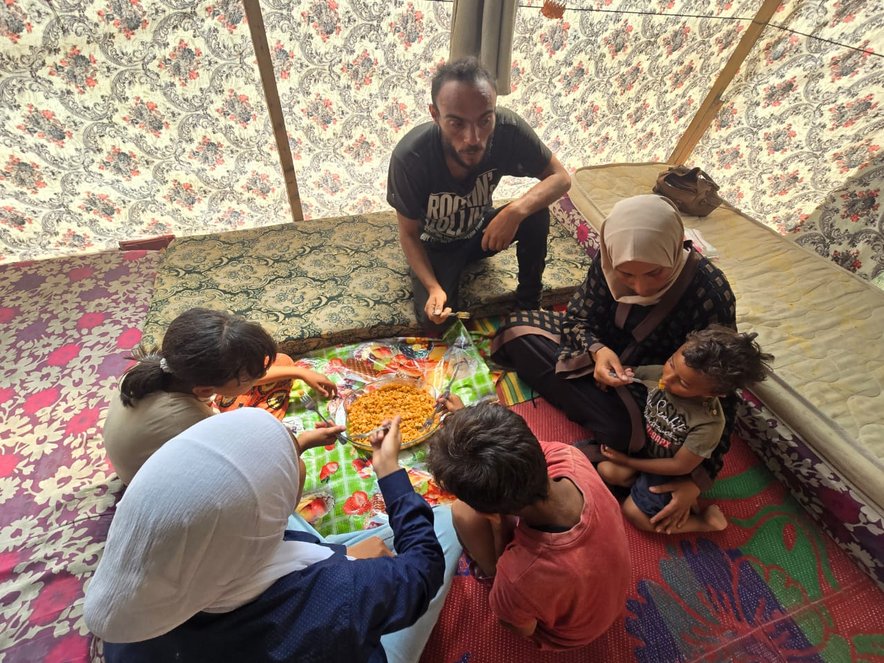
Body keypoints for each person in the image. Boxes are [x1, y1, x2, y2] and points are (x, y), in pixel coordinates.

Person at [85, 407, 462, 663]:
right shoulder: (339, 595)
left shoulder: (131, 611)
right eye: (291, 461)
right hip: (335, 628)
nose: (295, 465)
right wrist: (389, 471)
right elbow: (423, 571)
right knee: (446, 520)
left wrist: (299, 443)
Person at [491, 194, 737, 534]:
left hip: (655, 389)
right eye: (626, 275)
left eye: (655, 272)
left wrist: (698, 480)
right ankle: (606, 429)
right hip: (602, 357)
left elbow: (723, 384)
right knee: (518, 330)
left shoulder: (710, 291)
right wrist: (598, 350)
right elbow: (578, 317)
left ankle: (616, 439)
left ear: (675, 247)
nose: (640, 287)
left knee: (626, 431)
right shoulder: (610, 258)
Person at [387, 57, 571, 335]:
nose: (473, 138)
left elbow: (561, 178)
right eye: (456, 123)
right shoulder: (411, 157)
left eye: (485, 120)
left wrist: (515, 212)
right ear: (435, 114)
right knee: (436, 323)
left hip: (479, 233)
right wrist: (433, 288)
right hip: (434, 246)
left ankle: (528, 305)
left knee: (535, 212)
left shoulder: (508, 130)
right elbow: (409, 235)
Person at [427, 399, 630, 650]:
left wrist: (499, 529)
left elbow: (523, 628)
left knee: (462, 513)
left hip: (569, 634)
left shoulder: (520, 575)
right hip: (608, 593)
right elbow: (515, 454)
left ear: (490, 513)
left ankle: (493, 561)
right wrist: (469, 424)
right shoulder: (569, 456)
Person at [102, 307, 337, 485]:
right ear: (206, 390)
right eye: (249, 377)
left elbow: (248, 375)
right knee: (295, 468)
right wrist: (303, 442)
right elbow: (249, 466)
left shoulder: (160, 367)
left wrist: (299, 372)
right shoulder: (193, 423)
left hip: (160, 445)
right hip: (166, 486)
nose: (258, 376)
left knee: (283, 362)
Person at [598, 325, 773, 533]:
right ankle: (641, 486)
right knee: (606, 470)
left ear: (713, 393)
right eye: (671, 363)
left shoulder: (708, 424)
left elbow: (679, 466)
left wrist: (628, 462)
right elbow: (632, 371)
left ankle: (705, 523)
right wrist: (620, 375)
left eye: (683, 383)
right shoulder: (661, 373)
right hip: (646, 452)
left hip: (671, 472)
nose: (666, 379)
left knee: (634, 513)